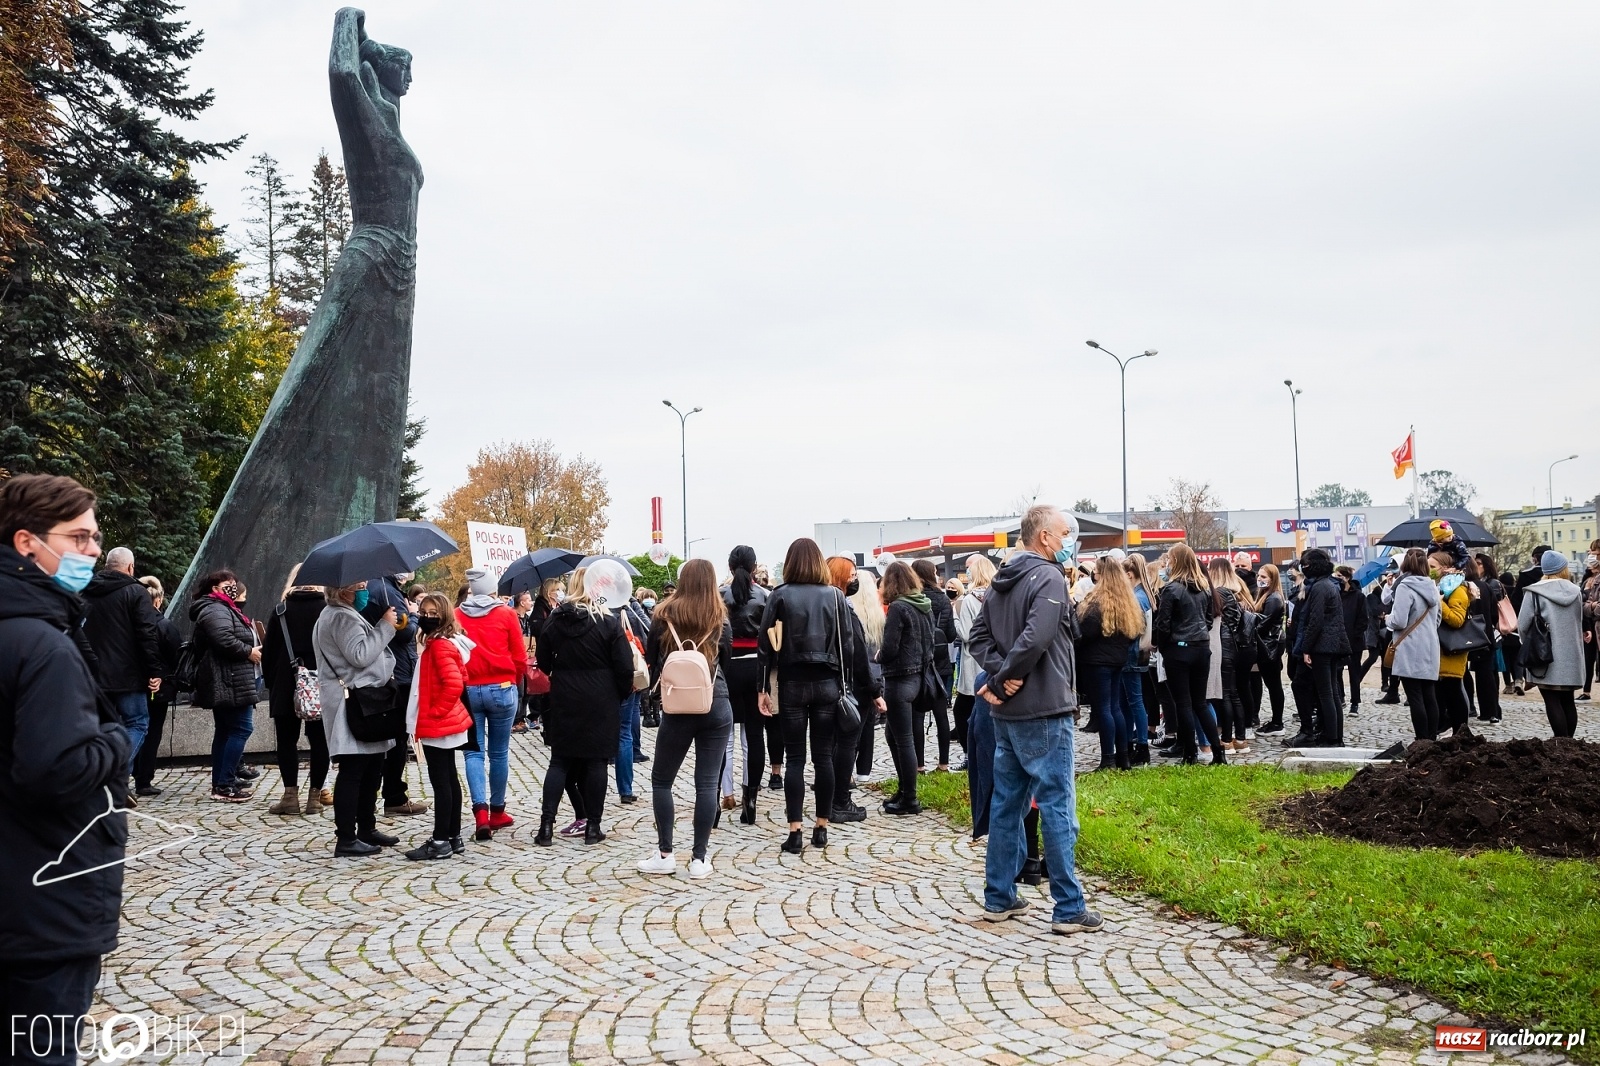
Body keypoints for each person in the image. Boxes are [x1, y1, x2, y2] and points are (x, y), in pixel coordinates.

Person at [1, 475, 134, 1065]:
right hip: (44, 903)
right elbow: (57, 770)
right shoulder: (43, 645)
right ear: (27, 542)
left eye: (95, 538)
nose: (93, 551)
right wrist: (115, 741)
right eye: (79, 538)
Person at [966, 505, 1102, 934]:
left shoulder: (1003, 578)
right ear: (1044, 536)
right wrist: (1004, 678)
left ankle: (999, 896)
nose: (1068, 541)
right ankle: (1068, 906)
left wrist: (998, 677)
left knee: (1007, 805)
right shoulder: (1047, 577)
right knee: (1056, 806)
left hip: (1008, 713)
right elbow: (1036, 638)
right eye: (1064, 533)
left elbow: (978, 638)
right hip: (1044, 708)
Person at [636, 559, 734, 877]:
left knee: (662, 780)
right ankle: (699, 859)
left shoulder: (663, 614)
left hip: (677, 704)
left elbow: (652, 660)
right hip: (715, 702)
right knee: (707, 783)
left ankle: (665, 853)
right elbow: (727, 661)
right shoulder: (719, 617)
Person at [757, 538, 855, 853]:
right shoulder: (835, 596)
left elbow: (765, 645)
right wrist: (847, 685)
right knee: (824, 757)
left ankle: (795, 832)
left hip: (792, 683)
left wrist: (763, 688)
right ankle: (822, 827)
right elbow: (847, 645)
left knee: (795, 759)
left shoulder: (780, 595)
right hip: (827, 682)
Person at [534, 561, 633, 846]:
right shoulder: (608, 622)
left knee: (559, 761)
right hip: (601, 697)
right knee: (596, 763)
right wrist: (618, 694)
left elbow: (542, 661)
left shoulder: (555, 620)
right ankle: (593, 826)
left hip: (565, 695)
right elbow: (625, 667)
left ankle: (546, 826)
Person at [314, 581, 400, 856]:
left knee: (372, 766)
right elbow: (359, 655)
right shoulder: (340, 616)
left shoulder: (340, 613)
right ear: (343, 591)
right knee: (354, 769)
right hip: (352, 702)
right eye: (359, 586)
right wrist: (385, 626)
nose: (364, 590)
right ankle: (347, 837)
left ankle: (366, 827)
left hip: (359, 699)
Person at [455, 567, 528, 840]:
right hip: (502, 686)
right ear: (493, 590)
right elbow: (519, 657)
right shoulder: (506, 614)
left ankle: (480, 812)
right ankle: (498, 810)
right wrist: (514, 681)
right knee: (499, 753)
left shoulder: (457, 614)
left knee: (473, 753)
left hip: (469, 688)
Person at [81, 545, 162, 785]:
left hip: (92, 674)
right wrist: (154, 671)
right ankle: (114, 775)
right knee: (137, 723)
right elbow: (147, 634)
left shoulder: (85, 591)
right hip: (128, 675)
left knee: (101, 728)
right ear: (130, 567)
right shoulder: (136, 592)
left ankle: (100, 776)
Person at [406, 592, 474, 859]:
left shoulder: (440, 646)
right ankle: (453, 836)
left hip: (441, 722)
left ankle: (440, 840)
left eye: (433, 613)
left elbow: (455, 684)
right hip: (447, 721)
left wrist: (435, 712)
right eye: (424, 612)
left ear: (444, 615)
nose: (427, 617)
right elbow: (461, 675)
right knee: (449, 779)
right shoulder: (446, 643)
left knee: (442, 782)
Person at [261, 568, 331, 815]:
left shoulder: (280, 611)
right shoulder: (326, 610)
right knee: (320, 742)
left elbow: (268, 654)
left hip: (285, 683)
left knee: (286, 742)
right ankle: (315, 798)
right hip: (320, 684)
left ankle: (290, 797)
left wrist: (273, 685)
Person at [188, 570, 261, 802]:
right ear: (215, 588)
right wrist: (248, 652)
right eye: (228, 583)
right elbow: (223, 639)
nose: (233, 586)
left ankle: (221, 782)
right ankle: (225, 784)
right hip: (229, 679)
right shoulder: (215, 609)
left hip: (229, 678)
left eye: (234, 582)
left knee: (226, 731)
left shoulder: (222, 607)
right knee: (241, 729)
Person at [826, 556, 885, 823]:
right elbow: (858, 654)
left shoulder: (823, 605)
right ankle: (840, 801)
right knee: (846, 743)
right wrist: (874, 691)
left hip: (826, 684)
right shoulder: (844, 608)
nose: (854, 581)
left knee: (828, 746)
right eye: (851, 576)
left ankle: (829, 800)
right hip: (850, 687)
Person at [362, 571, 425, 817]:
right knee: (397, 739)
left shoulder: (377, 586)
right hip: (398, 673)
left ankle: (382, 795)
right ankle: (394, 796)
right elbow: (405, 631)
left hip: (387, 670)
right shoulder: (386, 590)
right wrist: (415, 614)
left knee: (390, 740)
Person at [1153, 545, 1223, 765]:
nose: (1167, 564)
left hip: (1178, 648)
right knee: (1200, 703)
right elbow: (1209, 620)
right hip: (1201, 647)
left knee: (1183, 703)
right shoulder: (1204, 588)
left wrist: (1163, 647)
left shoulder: (1172, 589)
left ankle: (1190, 753)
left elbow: (1162, 624)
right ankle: (1218, 752)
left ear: (1175, 561)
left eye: (1170, 560)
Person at [874, 561, 934, 815]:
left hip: (899, 679)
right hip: (919, 677)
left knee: (903, 740)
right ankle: (903, 789)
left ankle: (910, 797)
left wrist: (878, 656)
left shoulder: (899, 607)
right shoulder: (923, 604)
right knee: (893, 735)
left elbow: (890, 648)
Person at [1078, 554, 1142, 771]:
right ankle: (1123, 757)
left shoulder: (1097, 601)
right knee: (1115, 708)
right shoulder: (1126, 600)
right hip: (1118, 659)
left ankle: (1107, 759)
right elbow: (1133, 632)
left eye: (1095, 571)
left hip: (1097, 661)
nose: (1093, 575)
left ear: (1101, 574)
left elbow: (1086, 632)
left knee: (1103, 709)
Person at [722, 546, 772, 824]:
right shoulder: (765, 595)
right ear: (754, 568)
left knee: (723, 737)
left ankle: (722, 795)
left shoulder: (719, 595)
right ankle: (750, 799)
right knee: (753, 737)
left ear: (730, 567)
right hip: (756, 667)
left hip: (727, 667)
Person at [1518, 551, 1585, 737]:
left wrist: (1526, 643)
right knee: (1568, 700)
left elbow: (1523, 625)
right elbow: (1579, 621)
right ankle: (1570, 743)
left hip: (1545, 653)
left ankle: (1560, 742)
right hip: (1572, 654)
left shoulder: (1534, 592)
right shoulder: (1576, 591)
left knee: (1551, 700)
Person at [1287, 549, 1348, 748]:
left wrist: (1306, 649)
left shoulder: (1320, 587)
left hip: (1322, 646)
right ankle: (1334, 736)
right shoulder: (1327, 584)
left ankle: (1332, 738)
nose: (1303, 568)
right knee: (1331, 692)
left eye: (1305, 565)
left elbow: (1315, 621)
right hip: (1330, 644)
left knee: (1327, 693)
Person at [1386, 548, 1443, 740]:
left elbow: (1399, 621)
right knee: (1430, 696)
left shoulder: (1405, 587)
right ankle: (1431, 739)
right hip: (1430, 646)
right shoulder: (1432, 586)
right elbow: (1438, 618)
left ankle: (1421, 740)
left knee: (1415, 696)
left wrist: (1387, 619)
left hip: (1409, 647)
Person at [131, 577, 181, 797]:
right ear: (158, 600)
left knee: (133, 727)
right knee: (151, 733)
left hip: (133, 685)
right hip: (157, 687)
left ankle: (133, 771)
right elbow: (175, 655)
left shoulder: (129, 624)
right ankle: (144, 779)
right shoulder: (163, 625)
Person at [955, 555, 996, 814]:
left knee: (964, 710)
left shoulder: (970, 600)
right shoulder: (995, 595)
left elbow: (968, 634)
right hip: (991, 661)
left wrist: (954, 619)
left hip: (974, 660)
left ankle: (971, 754)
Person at [912, 558, 957, 772]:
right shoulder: (943, 599)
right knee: (941, 715)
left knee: (917, 715)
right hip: (940, 662)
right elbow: (951, 635)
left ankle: (919, 765)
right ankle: (944, 763)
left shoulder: (912, 598)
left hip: (918, 662)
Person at [848, 568, 886, 785]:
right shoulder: (878, 615)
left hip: (855, 675)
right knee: (868, 723)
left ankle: (847, 770)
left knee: (850, 724)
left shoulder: (851, 614)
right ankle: (864, 770)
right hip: (875, 674)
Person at [1432, 551, 1475, 738]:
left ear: (1445, 568)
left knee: (1454, 691)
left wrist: (1439, 603)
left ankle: (1460, 732)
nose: (1429, 570)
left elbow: (1457, 619)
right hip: (1442, 648)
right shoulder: (1442, 587)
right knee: (1443, 692)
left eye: (1432, 567)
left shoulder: (1456, 589)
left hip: (1453, 648)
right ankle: (1447, 729)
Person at [1464, 556, 1504, 724]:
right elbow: (1494, 613)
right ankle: (1491, 711)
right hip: (1484, 635)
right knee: (1486, 675)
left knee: (1463, 673)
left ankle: (1469, 706)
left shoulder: (1461, 587)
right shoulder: (1485, 586)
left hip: (1464, 635)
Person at [1252, 564, 1287, 734]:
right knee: (1273, 685)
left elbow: (1263, 624)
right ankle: (1276, 721)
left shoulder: (1273, 598)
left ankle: (1277, 722)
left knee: (1274, 685)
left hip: (1269, 647)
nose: (1259, 579)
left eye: (1264, 577)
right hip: (1268, 645)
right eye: (1259, 576)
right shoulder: (1266, 595)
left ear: (1272, 579)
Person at [1335, 566, 1369, 716]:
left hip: (1354, 641)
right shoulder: (1336, 594)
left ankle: (1355, 703)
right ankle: (1341, 697)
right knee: (1337, 671)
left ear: (1347, 577)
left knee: (1354, 672)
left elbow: (1363, 619)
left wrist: (1355, 635)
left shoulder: (1359, 596)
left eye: (1339, 576)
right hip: (1338, 639)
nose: (1337, 579)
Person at [1580, 543, 1599, 702]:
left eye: (1593, 552)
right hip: (1589, 624)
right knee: (1588, 658)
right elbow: (1583, 606)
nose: (1590, 556)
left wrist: (1591, 606)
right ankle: (1586, 690)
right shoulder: (1587, 579)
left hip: (1595, 623)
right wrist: (1592, 606)